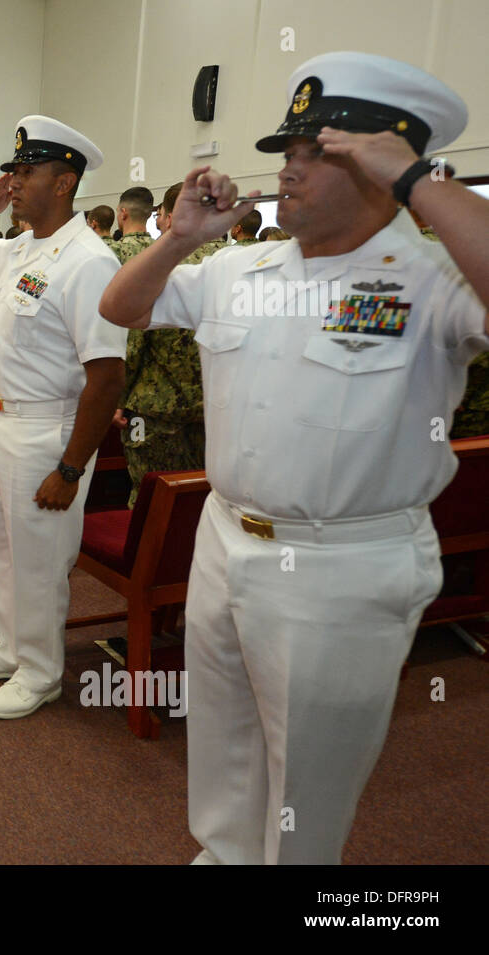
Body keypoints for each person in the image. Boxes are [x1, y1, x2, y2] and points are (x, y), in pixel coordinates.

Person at [98, 51, 488, 864]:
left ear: (386, 162)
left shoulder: (432, 280)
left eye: (319, 153)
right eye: (288, 153)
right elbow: (121, 306)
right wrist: (176, 240)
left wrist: (420, 180)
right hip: (225, 537)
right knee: (223, 742)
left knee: (307, 784)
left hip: (340, 563)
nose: (290, 172)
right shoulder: (241, 267)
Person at [0, 116, 125, 719]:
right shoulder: (23, 247)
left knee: (41, 558)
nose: (14, 180)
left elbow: (107, 376)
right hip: (0, 420)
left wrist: (72, 467)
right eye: (13, 170)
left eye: (27, 172)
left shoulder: (88, 260)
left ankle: (42, 670)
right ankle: (10, 646)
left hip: (48, 430)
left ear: (65, 182)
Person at [116, 180, 211, 507]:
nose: (157, 222)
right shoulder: (230, 263)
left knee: (148, 498)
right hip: (211, 408)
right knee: (199, 496)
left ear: (172, 217)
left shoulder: (157, 264)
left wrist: (118, 397)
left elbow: (135, 344)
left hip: (154, 409)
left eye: (161, 215)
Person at [108, 186, 155, 263]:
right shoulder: (163, 249)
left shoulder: (113, 251)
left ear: (123, 213)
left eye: (118, 211)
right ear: (149, 214)